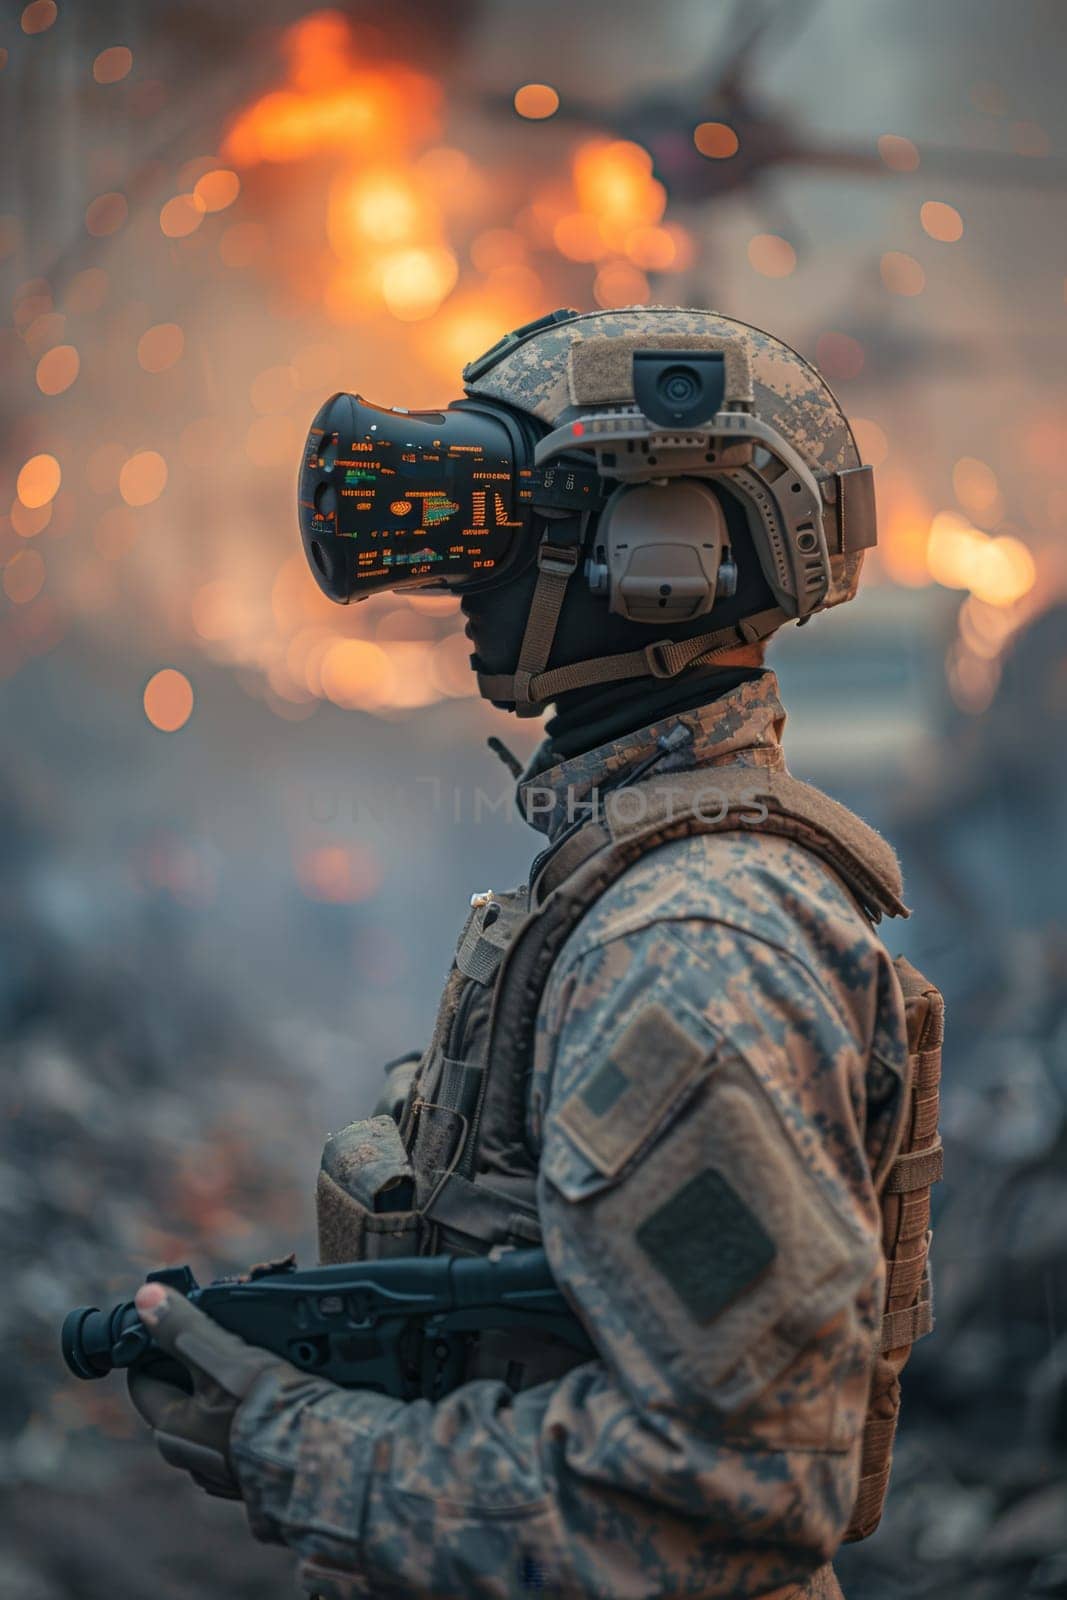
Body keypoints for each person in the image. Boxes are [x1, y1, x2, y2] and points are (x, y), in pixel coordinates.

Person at [126, 308, 941, 1600]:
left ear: (663, 557)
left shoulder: (691, 949)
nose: (463, 577)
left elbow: (733, 1491)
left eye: (509, 525)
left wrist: (295, 1442)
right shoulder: (630, 886)